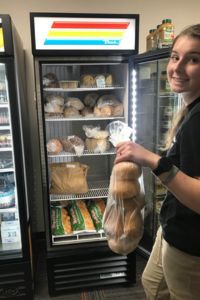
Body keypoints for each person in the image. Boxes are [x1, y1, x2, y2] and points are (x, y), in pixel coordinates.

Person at [114, 24, 200, 300]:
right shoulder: (190, 109)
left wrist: (151, 159)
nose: (177, 67)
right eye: (175, 57)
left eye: (194, 59)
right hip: (173, 228)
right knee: (152, 284)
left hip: (191, 245)